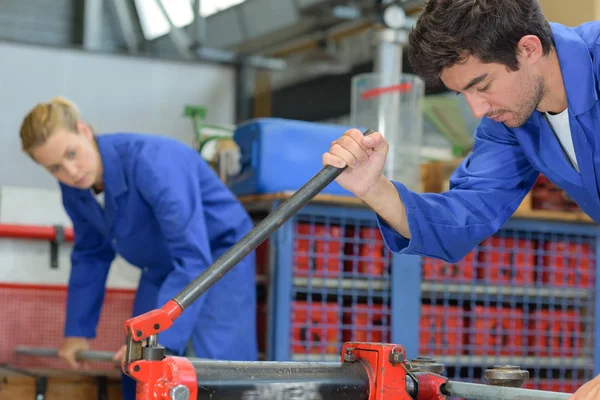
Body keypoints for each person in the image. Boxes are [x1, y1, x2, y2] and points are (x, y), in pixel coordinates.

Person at [322, 1, 600, 399]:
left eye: (482, 86)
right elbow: (467, 214)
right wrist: (374, 188)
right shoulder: (512, 120)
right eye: (463, 93)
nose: (478, 108)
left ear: (528, 49)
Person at [19, 97, 258, 400]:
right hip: (161, 266)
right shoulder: (75, 187)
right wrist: (77, 331)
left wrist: (164, 339)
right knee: (137, 365)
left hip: (216, 260)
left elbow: (192, 255)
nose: (71, 171)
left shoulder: (153, 161)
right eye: (55, 168)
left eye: (72, 153)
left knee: (211, 370)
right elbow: (92, 254)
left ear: (84, 130)